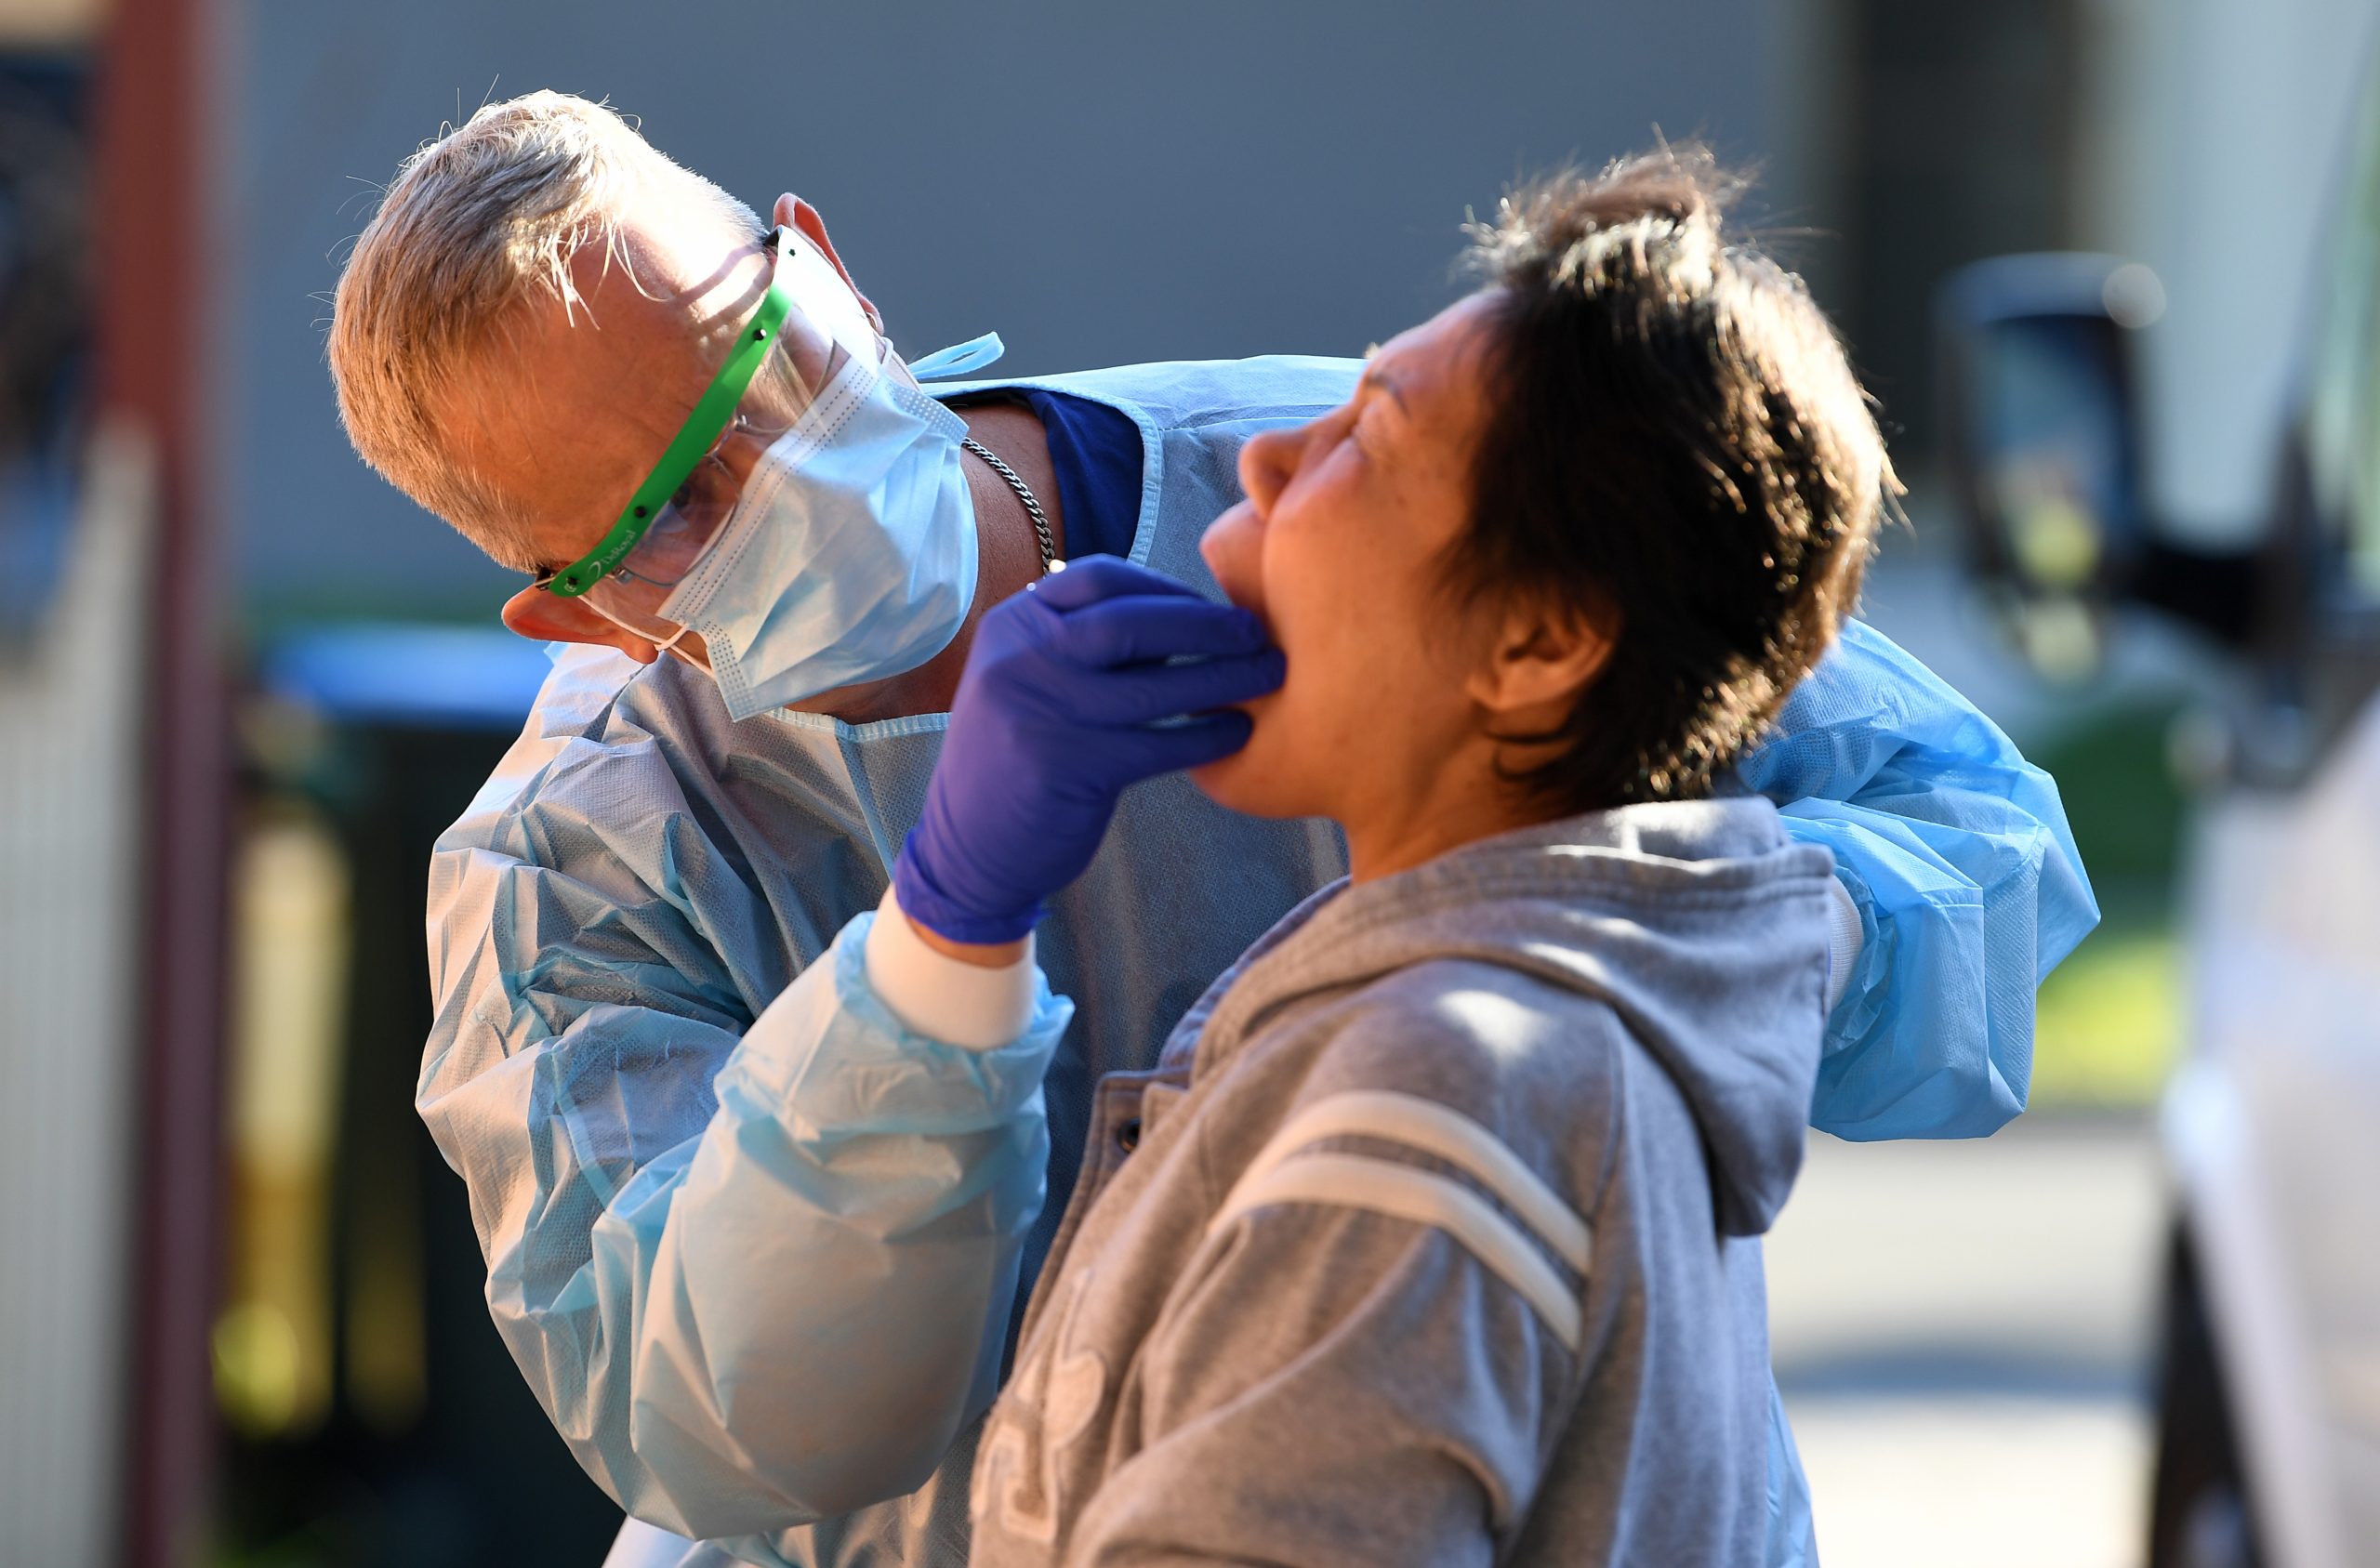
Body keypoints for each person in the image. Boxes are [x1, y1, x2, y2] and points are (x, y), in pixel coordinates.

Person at [324, 92, 2097, 1568]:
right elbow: (717, 1422)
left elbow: (1964, 837)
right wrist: (938, 947)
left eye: (762, 362)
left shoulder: (1364, 478)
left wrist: (1611, 931)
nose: (770, 467)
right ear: (577, 620)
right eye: (672, 513)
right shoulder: (576, 866)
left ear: (827, 270)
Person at [854, 146, 1882, 1565]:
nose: (1269, 457)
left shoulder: (1447, 1081)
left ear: (1537, 644)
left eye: (1371, 441)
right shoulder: (1513, 1030)